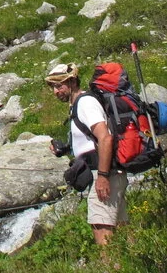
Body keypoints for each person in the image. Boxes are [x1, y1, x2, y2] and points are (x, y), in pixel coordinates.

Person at [46, 63, 128, 246]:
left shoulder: (85, 103)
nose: (55, 91)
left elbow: (105, 138)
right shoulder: (78, 105)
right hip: (111, 174)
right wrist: (66, 149)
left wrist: (103, 177)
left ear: (73, 81)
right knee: (123, 234)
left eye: (59, 85)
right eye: (52, 87)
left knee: (102, 232)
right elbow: (90, 141)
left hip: (106, 175)